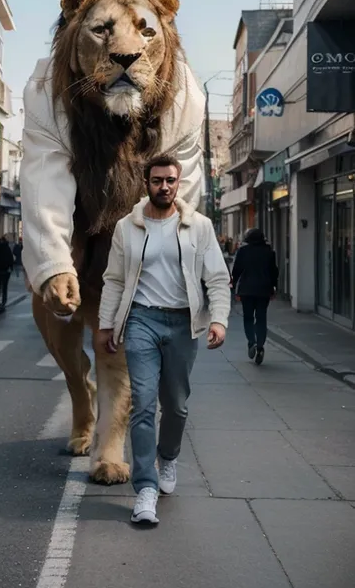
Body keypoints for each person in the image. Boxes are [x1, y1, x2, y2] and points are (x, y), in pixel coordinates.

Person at [97, 154, 231, 525]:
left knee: (176, 405)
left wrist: (218, 319)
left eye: (170, 180)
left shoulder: (198, 226)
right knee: (142, 403)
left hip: (182, 324)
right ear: (147, 183)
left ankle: (167, 456)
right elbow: (115, 280)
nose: (164, 186)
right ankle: (145, 488)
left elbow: (217, 278)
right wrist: (108, 324)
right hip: (141, 319)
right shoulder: (128, 227)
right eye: (157, 180)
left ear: (179, 181)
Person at [231, 228, 279, 365]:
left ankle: (251, 342)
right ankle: (260, 346)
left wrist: (233, 287)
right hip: (264, 290)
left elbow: (237, 271)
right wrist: (274, 287)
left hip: (247, 289)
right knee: (261, 318)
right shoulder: (269, 252)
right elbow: (274, 271)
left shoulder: (243, 252)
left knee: (248, 318)